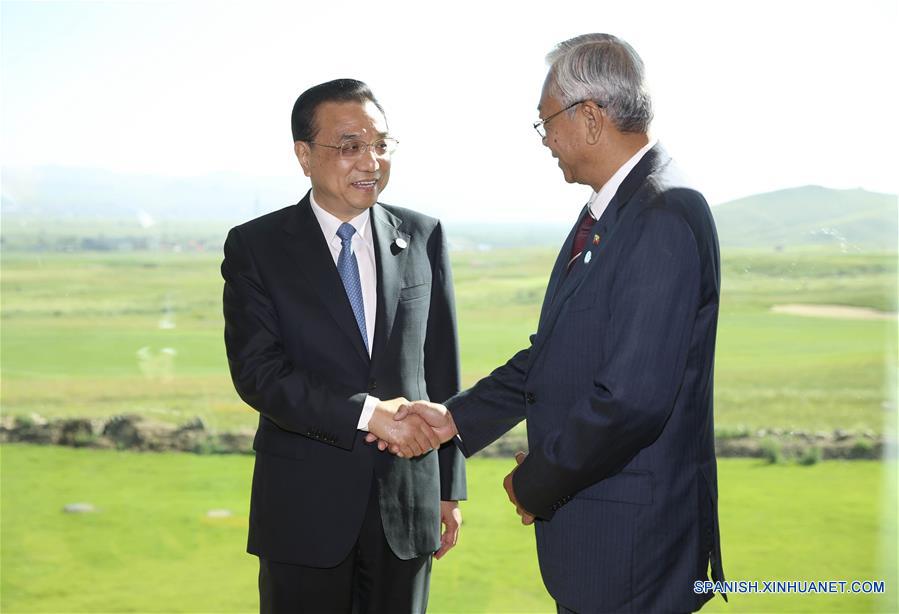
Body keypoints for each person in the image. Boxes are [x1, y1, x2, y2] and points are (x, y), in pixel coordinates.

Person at [387, 34, 726, 612]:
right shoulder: (612, 211)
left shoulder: (663, 214)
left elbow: (632, 400)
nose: (545, 141)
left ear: (590, 117)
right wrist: (456, 418)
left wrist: (536, 482)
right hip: (607, 543)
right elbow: (556, 352)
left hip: (633, 552)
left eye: (546, 122)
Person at [221, 78, 466, 614]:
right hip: (303, 511)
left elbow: (440, 369)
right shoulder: (256, 247)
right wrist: (370, 415)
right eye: (350, 146)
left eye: (381, 144)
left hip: (407, 505)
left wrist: (448, 488)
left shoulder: (423, 234)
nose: (370, 161)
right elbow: (259, 374)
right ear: (303, 155)